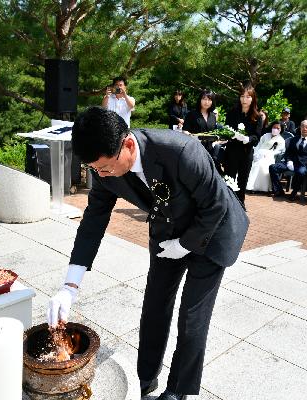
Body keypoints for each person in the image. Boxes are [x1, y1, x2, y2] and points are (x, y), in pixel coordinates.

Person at [46, 107, 248, 400]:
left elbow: (216, 205)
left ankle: (178, 390)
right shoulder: (105, 169)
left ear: (127, 145)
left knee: (192, 316)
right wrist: (69, 285)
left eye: (103, 168)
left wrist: (186, 244)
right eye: (94, 170)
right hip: (168, 230)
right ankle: (146, 377)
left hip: (213, 230)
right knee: (154, 305)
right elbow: (92, 222)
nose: (100, 175)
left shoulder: (181, 150)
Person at [223, 84, 263, 209]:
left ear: (253, 99)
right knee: (229, 177)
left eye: (248, 97)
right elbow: (226, 130)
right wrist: (231, 134)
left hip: (246, 152)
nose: (244, 99)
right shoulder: (232, 112)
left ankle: (240, 203)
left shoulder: (257, 117)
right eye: (242, 96)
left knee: (242, 179)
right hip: (232, 150)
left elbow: (257, 137)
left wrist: (247, 139)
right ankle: (226, 203)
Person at [269, 120, 307, 201]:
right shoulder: (293, 139)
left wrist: (301, 163)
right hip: (290, 162)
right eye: (302, 126)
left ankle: (294, 192)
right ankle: (279, 190)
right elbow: (288, 152)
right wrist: (289, 161)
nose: (304, 129)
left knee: (301, 172)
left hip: (302, 165)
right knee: (273, 167)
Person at [246, 121, 286, 192]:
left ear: (281, 130)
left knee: (260, 165)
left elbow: (278, 151)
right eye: (274, 127)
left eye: (278, 128)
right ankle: (250, 185)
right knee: (251, 162)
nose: (275, 129)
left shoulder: (281, 140)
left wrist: (267, 154)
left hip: (270, 157)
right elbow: (258, 146)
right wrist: (256, 154)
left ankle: (257, 187)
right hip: (259, 154)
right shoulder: (265, 135)